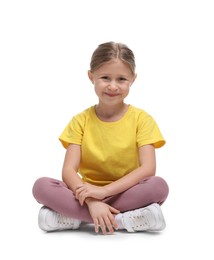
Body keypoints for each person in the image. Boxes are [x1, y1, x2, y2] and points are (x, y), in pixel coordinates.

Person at [32, 41, 169, 235]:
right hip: (84, 194)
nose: (113, 86)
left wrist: (104, 193)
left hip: (126, 191)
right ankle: (121, 220)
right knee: (41, 186)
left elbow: (148, 169)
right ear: (91, 76)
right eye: (105, 77)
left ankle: (76, 218)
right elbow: (69, 170)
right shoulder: (80, 121)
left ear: (133, 79)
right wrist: (92, 200)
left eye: (121, 79)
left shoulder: (142, 120)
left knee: (158, 186)